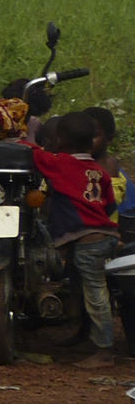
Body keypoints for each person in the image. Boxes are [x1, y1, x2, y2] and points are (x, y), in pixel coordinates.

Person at [31, 113, 120, 368]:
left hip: (87, 242)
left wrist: (26, 134)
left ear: (59, 140)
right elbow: (110, 203)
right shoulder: (98, 170)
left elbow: (34, 153)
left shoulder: (61, 163)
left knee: (95, 293)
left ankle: (104, 351)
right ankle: (85, 335)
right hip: (102, 235)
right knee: (81, 287)